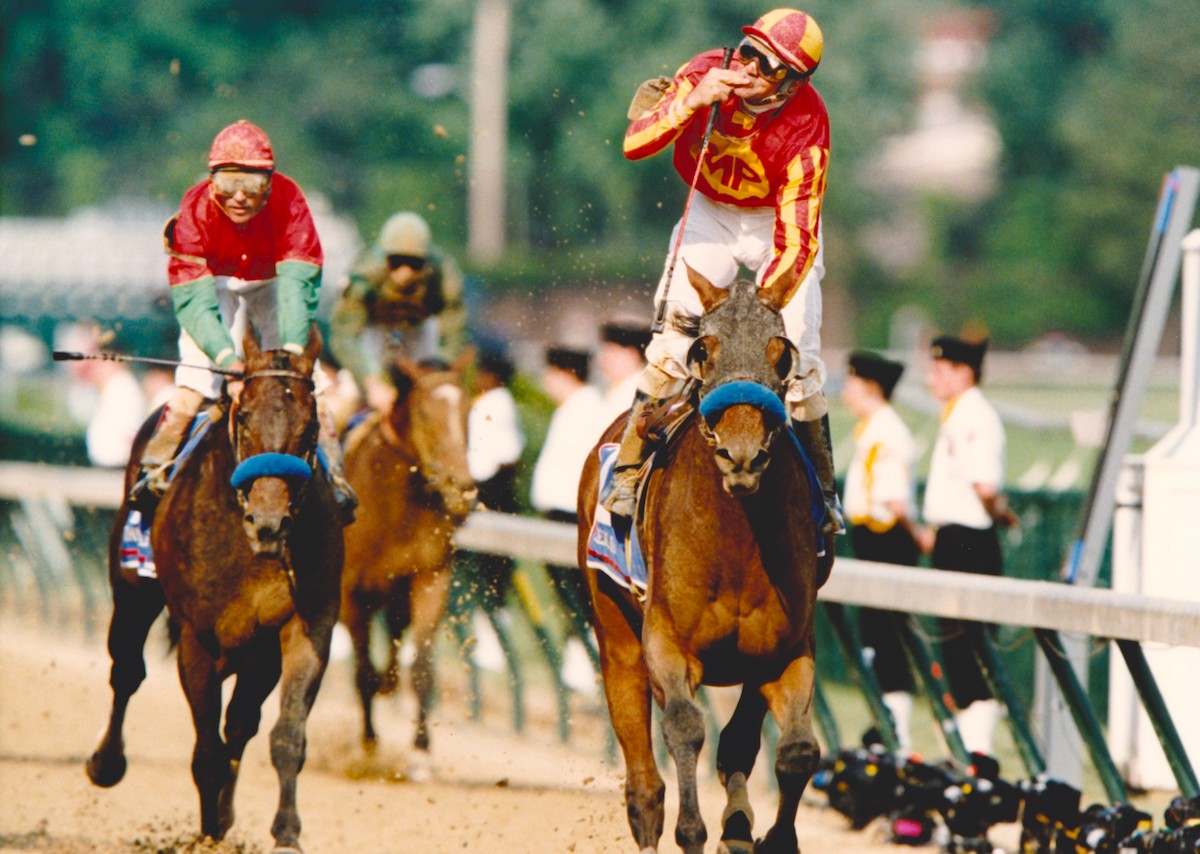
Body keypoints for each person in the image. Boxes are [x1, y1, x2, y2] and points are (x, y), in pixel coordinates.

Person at [605, 8, 839, 536]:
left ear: (792, 83)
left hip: (773, 223)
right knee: (670, 347)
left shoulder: (809, 126)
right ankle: (627, 471)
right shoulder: (707, 70)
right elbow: (634, 145)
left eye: (767, 64)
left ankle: (824, 492)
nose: (749, 67)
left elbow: (798, 237)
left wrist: (762, 309)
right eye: (749, 51)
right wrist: (691, 101)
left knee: (802, 358)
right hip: (708, 208)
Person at [129, 119, 357, 523]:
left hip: (273, 281)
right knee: (197, 380)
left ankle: (335, 476)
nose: (238, 197)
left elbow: (297, 286)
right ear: (211, 180)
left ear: (269, 183)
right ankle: (155, 466)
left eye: (250, 186)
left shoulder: (291, 202)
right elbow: (196, 301)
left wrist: (289, 351)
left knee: (309, 380)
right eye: (227, 184)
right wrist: (225, 357)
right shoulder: (194, 210)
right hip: (214, 284)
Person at [916, 335, 1018, 755]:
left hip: (968, 540)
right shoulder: (955, 414)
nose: (930, 378)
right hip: (952, 538)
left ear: (964, 372)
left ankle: (978, 753)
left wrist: (999, 512)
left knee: (970, 647)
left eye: (939, 370)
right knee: (953, 647)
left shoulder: (976, 415)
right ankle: (963, 749)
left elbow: (984, 485)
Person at [841, 351, 920, 756]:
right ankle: (884, 727)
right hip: (871, 538)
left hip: (886, 540)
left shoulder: (886, 432)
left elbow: (894, 501)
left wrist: (918, 536)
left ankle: (898, 736)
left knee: (889, 641)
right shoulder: (871, 429)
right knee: (876, 639)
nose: (846, 390)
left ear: (870, 386)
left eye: (852, 381)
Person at [329, 211, 466, 413]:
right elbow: (345, 335)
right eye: (397, 261)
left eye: (414, 263)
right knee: (347, 399)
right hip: (374, 330)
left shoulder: (444, 276)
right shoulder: (364, 275)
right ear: (385, 258)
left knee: (440, 400)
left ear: (426, 263)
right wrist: (370, 380)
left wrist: (437, 370)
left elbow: (454, 333)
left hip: (420, 330)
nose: (405, 272)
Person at [530, 345, 607, 695]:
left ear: (565, 374)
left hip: (571, 517)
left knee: (581, 599)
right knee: (569, 599)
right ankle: (579, 673)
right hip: (557, 516)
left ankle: (587, 676)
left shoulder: (587, 409)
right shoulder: (572, 408)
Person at [595, 318, 652, 426]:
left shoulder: (637, 391)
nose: (603, 359)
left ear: (631, 355)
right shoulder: (622, 388)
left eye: (611, 352)